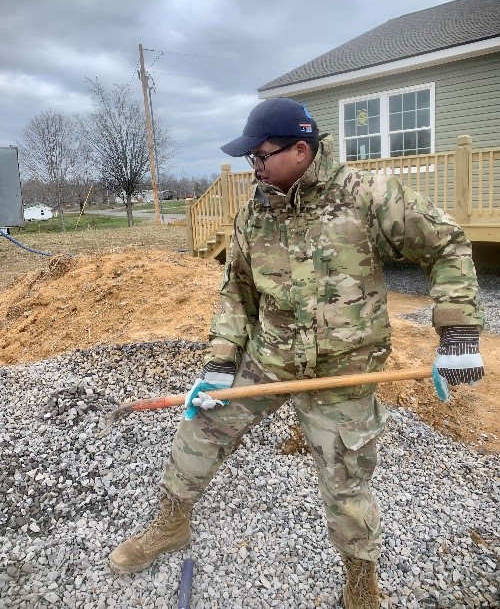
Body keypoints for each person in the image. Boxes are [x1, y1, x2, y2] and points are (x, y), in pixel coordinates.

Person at [109, 98, 484, 608]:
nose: (255, 168)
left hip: (343, 371)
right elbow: (236, 291)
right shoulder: (253, 215)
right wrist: (221, 363)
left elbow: (447, 244)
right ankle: (171, 524)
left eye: (261, 157)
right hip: (270, 358)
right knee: (198, 429)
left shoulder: (366, 195)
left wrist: (458, 332)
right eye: (251, 159)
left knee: (345, 482)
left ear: (300, 150)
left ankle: (359, 578)